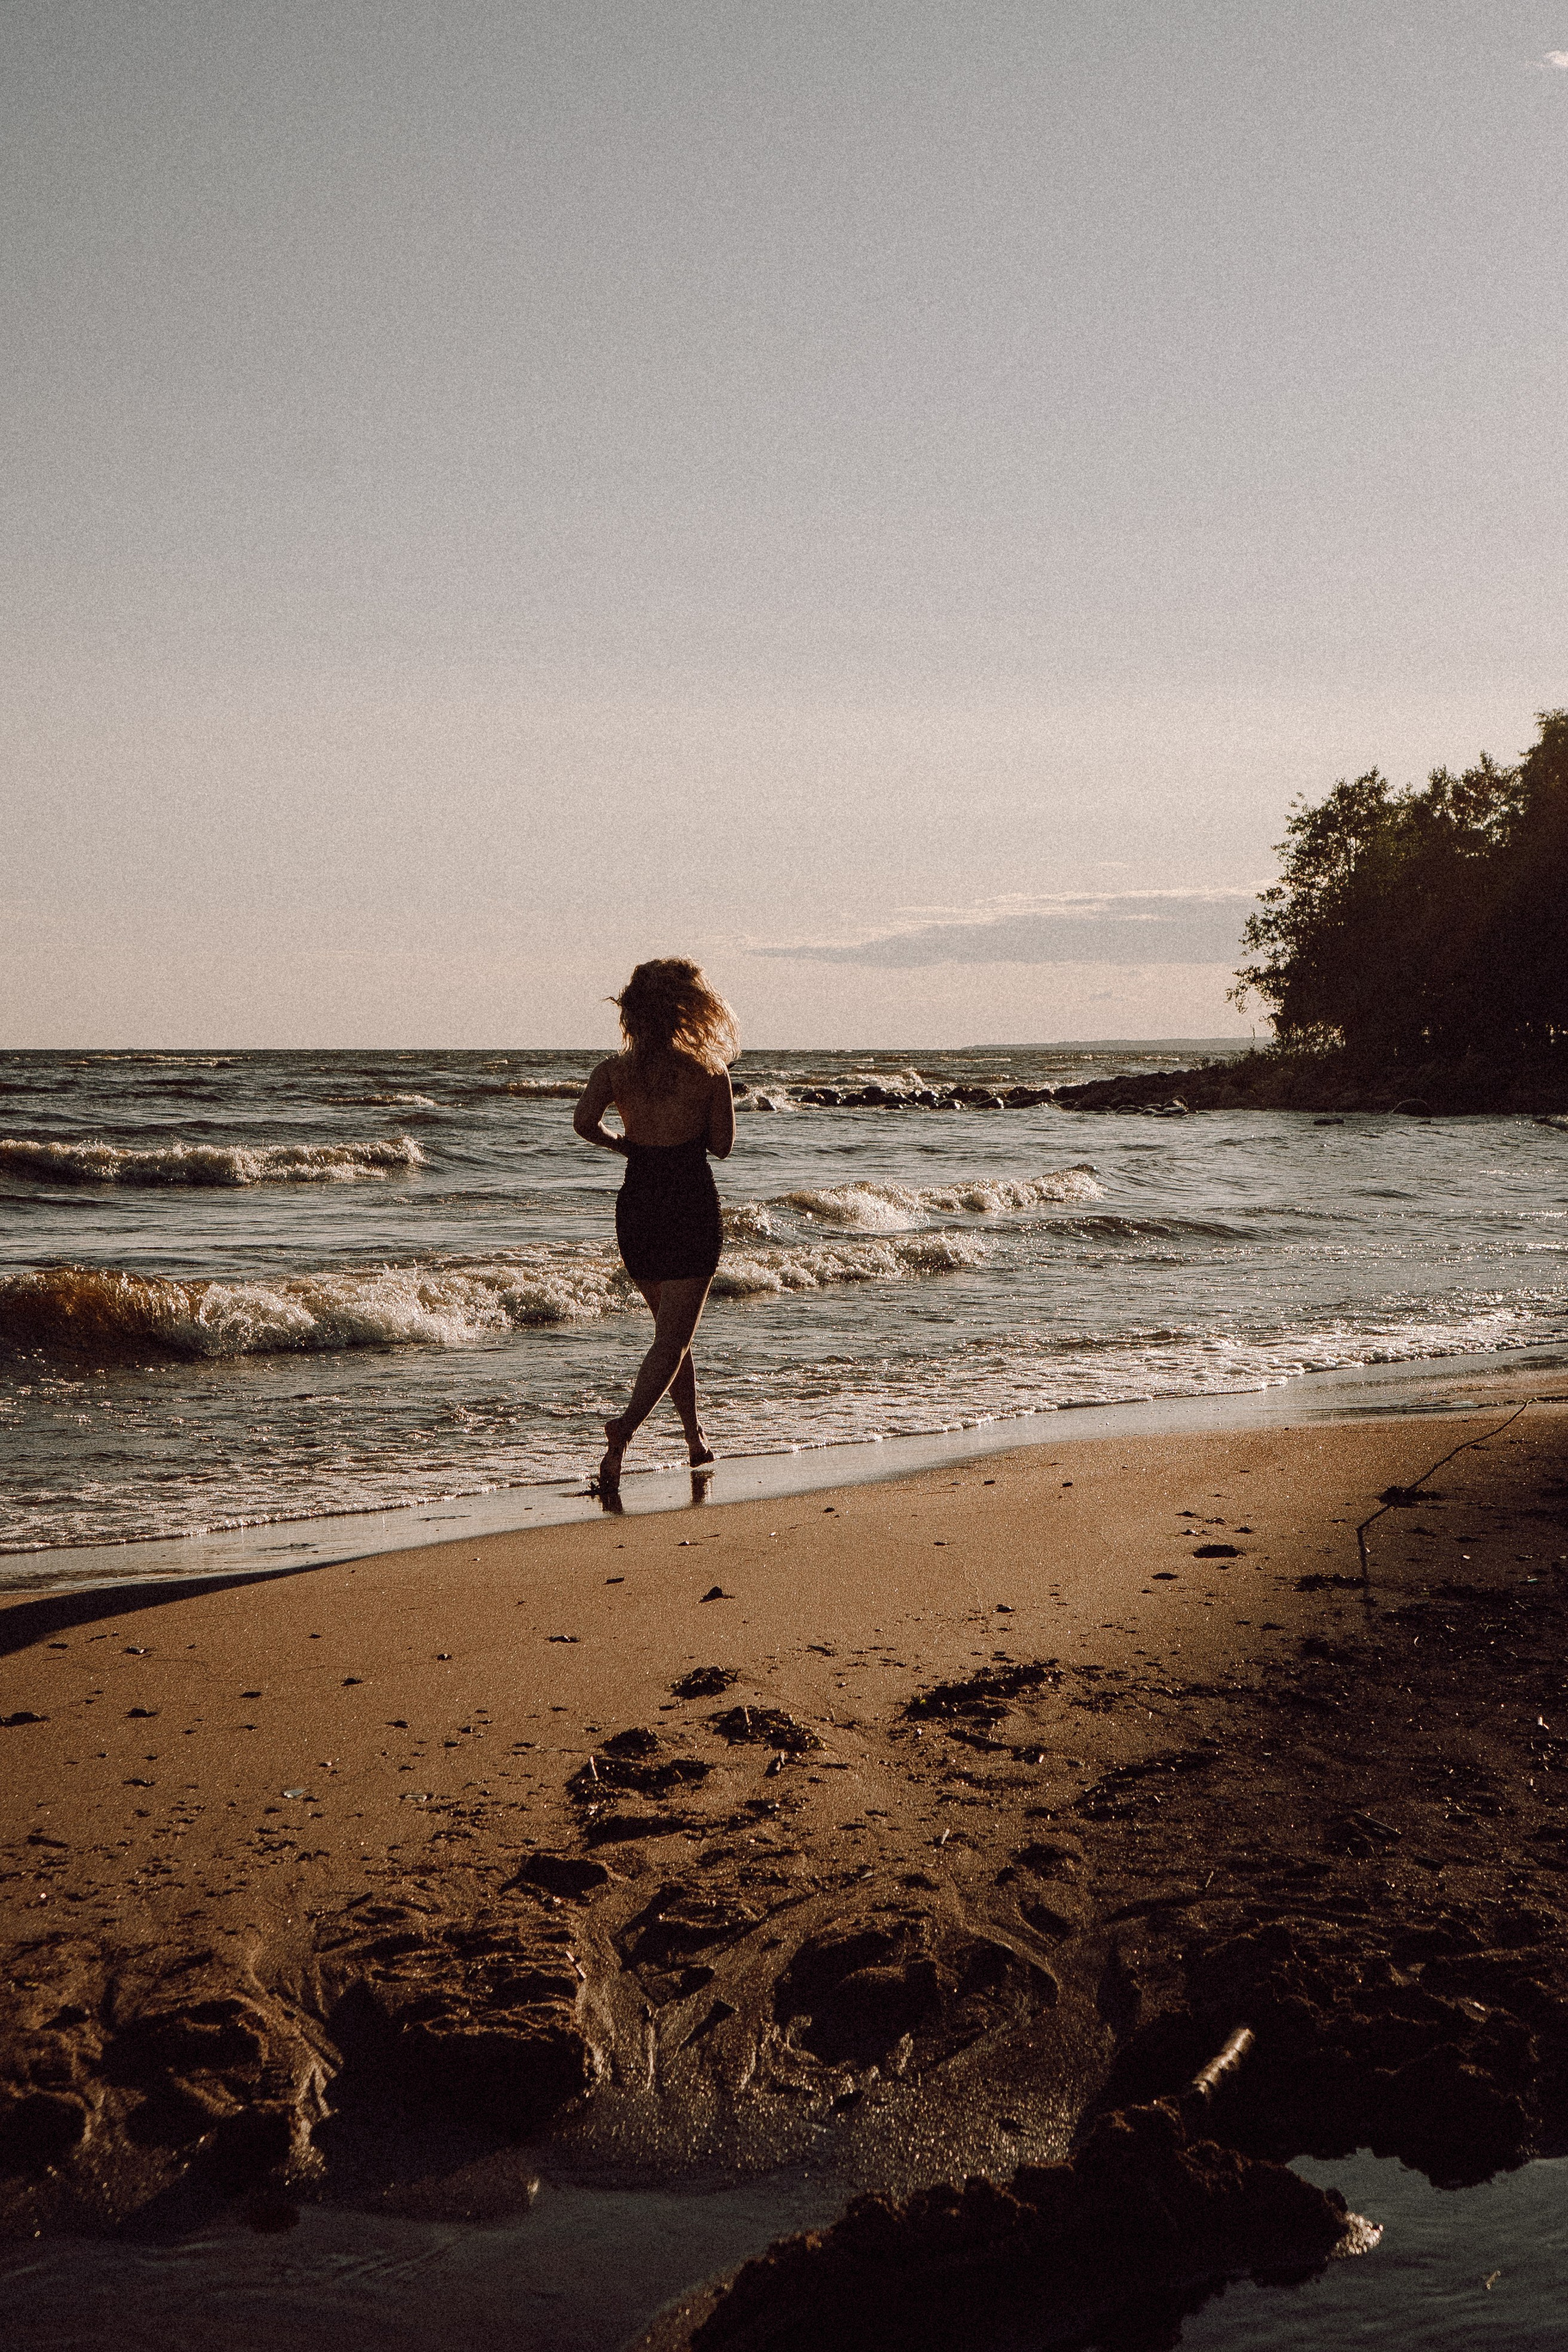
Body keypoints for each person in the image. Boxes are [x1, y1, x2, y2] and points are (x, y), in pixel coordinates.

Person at [573, 959, 737, 1495]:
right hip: (689, 1204)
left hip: (639, 1205)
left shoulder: (613, 1071)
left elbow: (583, 1123)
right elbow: (722, 1146)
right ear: (688, 1010)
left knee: (670, 1338)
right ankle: (623, 1432)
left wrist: (624, 1144)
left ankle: (695, 1440)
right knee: (672, 1340)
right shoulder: (710, 1071)